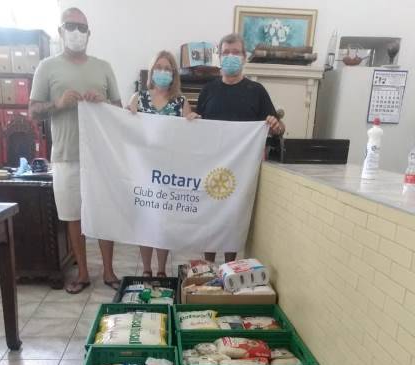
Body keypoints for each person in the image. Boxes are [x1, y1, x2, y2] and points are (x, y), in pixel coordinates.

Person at [29, 6, 122, 293]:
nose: (76, 32)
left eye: (82, 28)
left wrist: (103, 103)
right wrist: (57, 104)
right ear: (60, 31)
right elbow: (33, 111)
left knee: (104, 214)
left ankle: (109, 271)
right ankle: (82, 273)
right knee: (72, 216)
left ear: (89, 33)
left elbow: (119, 110)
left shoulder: (103, 67)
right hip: (66, 156)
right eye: (70, 26)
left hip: (101, 156)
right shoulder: (46, 67)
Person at [196, 32, 285, 265]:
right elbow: (198, 127)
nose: (230, 56)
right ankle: (208, 267)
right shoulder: (208, 91)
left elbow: (277, 127)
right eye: (226, 52)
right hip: (212, 166)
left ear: (244, 57)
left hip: (242, 170)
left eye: (235, 52)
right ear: (219, 56)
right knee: (210, 217)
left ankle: (229, 267)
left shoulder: (256, 91)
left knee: (234, 218)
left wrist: (276, 125)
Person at [128, 51, 194, 278]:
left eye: (168, 68)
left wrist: (193, 122)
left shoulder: (181, 102)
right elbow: (126, 128)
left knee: (162, 222)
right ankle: (147, 269)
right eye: (159, 67)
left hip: (167, 172)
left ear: (174, 73)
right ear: (152, 71)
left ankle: (162, 270)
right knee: (145, 220)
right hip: (142, 170)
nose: (163, 72)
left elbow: (189, 134)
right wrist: (126, 116)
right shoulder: (138, 98)